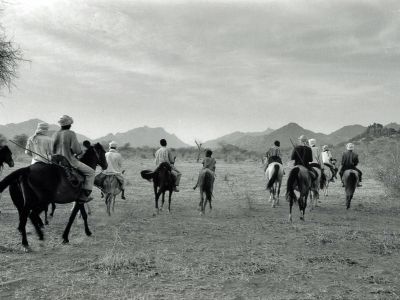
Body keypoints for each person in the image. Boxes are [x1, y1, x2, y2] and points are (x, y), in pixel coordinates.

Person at [52, 115, 95, 202]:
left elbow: (52, 150)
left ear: (61, 125)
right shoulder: (71, 133)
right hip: (69, 161)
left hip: (55, 162)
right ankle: (83, 195)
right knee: (91, 172)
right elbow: (77, 150)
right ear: (69, 125)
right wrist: (78, 153)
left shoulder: (54, 134)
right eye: (71, 124)